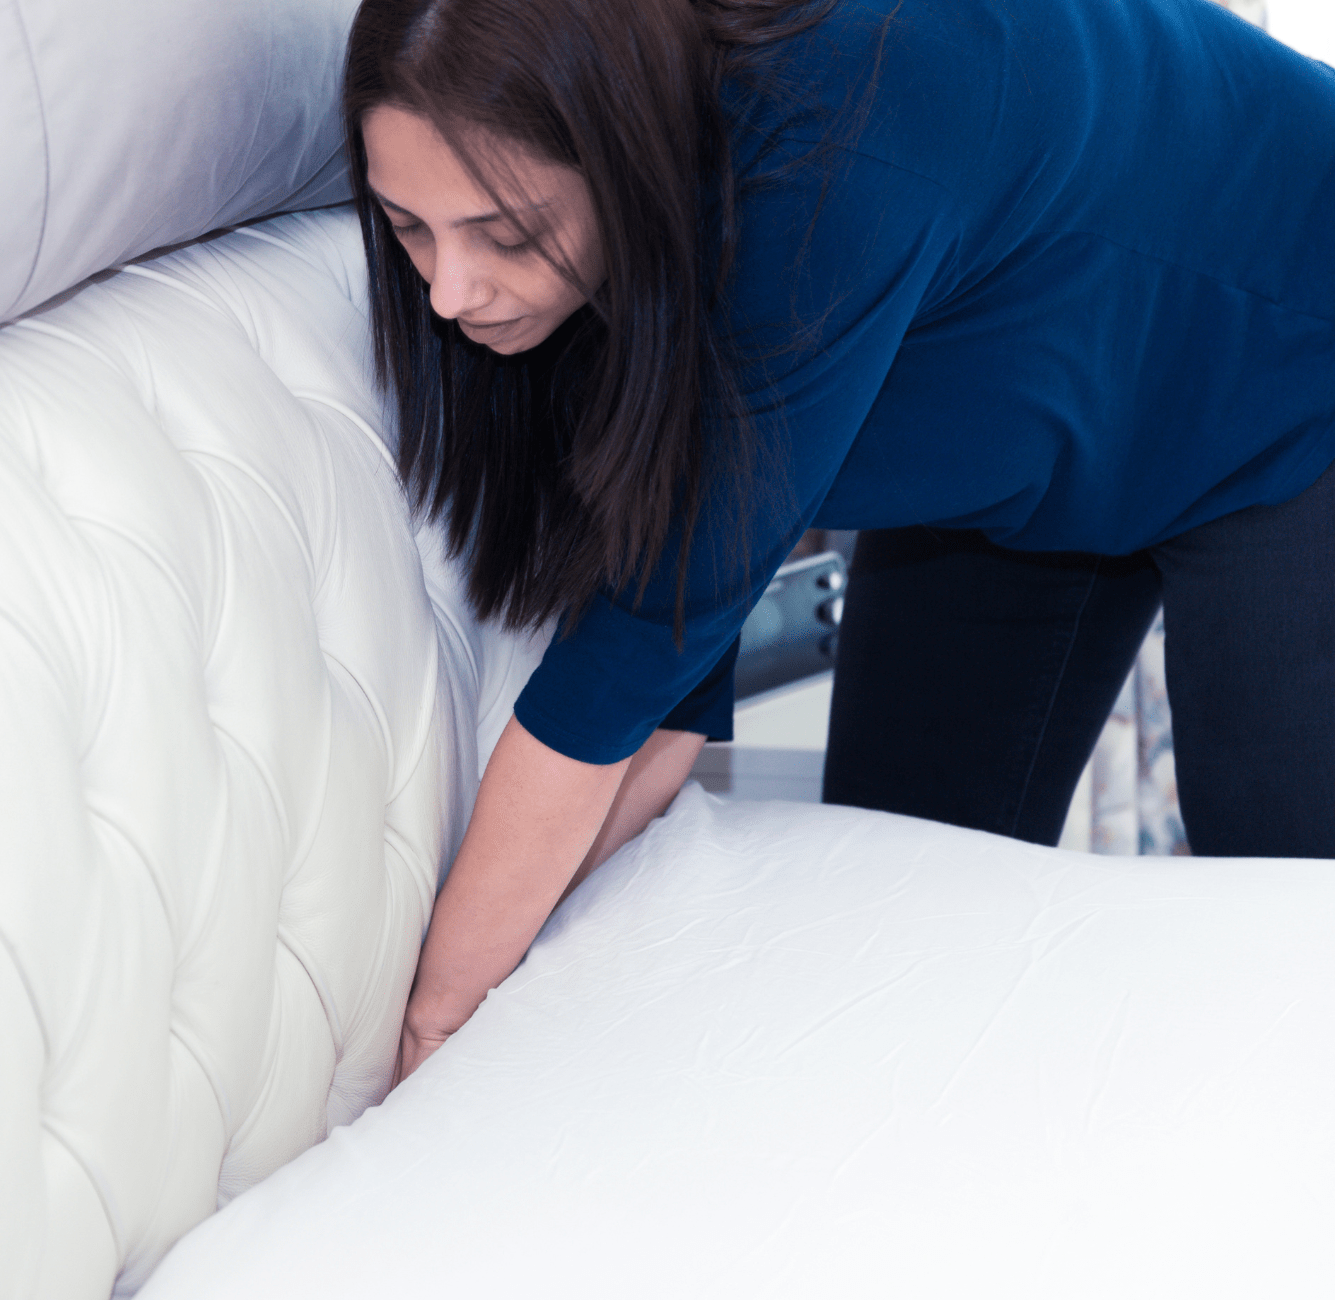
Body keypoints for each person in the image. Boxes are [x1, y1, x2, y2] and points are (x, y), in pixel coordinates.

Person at [345, 0, 1335, 1085]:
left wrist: (434, 1022)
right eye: (408, 225)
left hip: (1294, 357)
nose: (448, 292)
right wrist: (537, 954)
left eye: (506, 232)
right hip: (1034, 419)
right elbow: (671, 680)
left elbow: (631, 654)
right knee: (894, 886)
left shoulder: (834, 145)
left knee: (1287, 902)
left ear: (620, 148)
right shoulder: (660, 205)